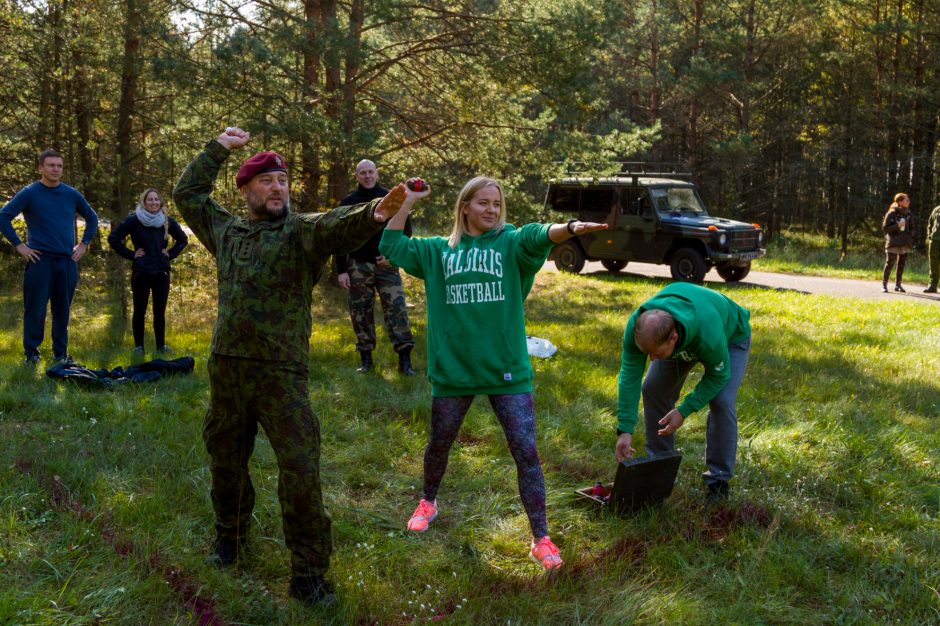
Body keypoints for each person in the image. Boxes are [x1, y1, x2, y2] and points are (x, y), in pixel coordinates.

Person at [172, 127, 410, 607]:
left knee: (300, 469)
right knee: (225, 460)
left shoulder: (300, 231)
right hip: (229, 371)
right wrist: (218, 148)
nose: (278, 188)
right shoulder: (226, 230)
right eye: (267, 182)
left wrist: (376, 211)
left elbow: (336, 224)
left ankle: (308, 573)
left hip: (282, 375)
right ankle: (229, 538)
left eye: (282, 181)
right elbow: (187, 194)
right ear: (246, 190)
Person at [380, 176, 608, 571]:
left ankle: (541, 538)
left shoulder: (510, 244)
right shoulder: (437, 251)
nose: (491, 210)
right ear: (464, 207)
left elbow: (537, 236)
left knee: (526, 451)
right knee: (440, 443)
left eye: (497, 205)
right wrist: (408, 202)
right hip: (454, 371)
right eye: (483, 203)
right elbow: (391, 245)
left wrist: (568, 228)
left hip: (506, 369)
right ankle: (428, 501)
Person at [615, 283, 751, 502]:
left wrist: (684, 410)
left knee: (721, 400)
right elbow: (629, 376)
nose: (651, 359)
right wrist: (625, 430)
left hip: (730, 336)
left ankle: (718, 481)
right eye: (647, 353)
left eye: (656, 353)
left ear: (674, 339)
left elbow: (718, 376)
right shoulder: (637, 328)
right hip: (685, 335)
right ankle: (659, 469)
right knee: (652, 388)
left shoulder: (708, 334)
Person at [0, 148, 99, 365]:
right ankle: (32, 354)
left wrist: (83, 244)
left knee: (62, 310)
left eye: (59, 166)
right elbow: (3, 217)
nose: (56, 169)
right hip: (40, 260)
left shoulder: (71, 194)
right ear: (40, 168)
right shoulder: (30, 192)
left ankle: (60, 354)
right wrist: (19, 245)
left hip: (67, 261)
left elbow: (92, 218)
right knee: (35, 308)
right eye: (51, 165)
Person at [334, 159, 416, 374]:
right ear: (357, 176)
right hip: (358, 264)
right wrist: (341, 270)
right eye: (363, 173)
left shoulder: (392, 198)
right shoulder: (348, 202)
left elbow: (406, 232)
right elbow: (339, 237)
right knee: (360, 311)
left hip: (386, 264)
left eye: (370, 172)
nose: (367, 176)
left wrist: (394, 257)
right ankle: (366, 360)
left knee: (397, 310)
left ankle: (405, 361)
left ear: (377, 173)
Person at [107, 188, 188, 353]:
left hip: (161, 272)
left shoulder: (166, 221)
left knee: (160, 312)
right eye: (150, 200)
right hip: (141, 272)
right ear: (144, 202)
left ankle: (161, 347)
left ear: (161, 202)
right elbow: (113, 238)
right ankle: (139, 347)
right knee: (139, 311)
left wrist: (170, 254)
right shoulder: (134, 220)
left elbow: (182, 240)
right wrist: (131, 254)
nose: (153, 202)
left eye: (156, 199)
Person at [881, 193, 914, 293]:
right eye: (906, 200)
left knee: (901, 264)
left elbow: (912, 228)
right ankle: (884, 285)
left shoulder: (909, 214)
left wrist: (910, 236)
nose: (909, 201)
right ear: (900, 202)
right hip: (893, 242)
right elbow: (885, 228)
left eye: (908, 200)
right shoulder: (891, 213)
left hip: (905, 243)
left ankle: (898, 285)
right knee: (889, 263)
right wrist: (897, 226)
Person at [924, 203, 940, 293]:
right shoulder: (937, 209)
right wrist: (930, 236)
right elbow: (930, 223)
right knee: (933, 263)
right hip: (935, 240)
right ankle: (932, 286)